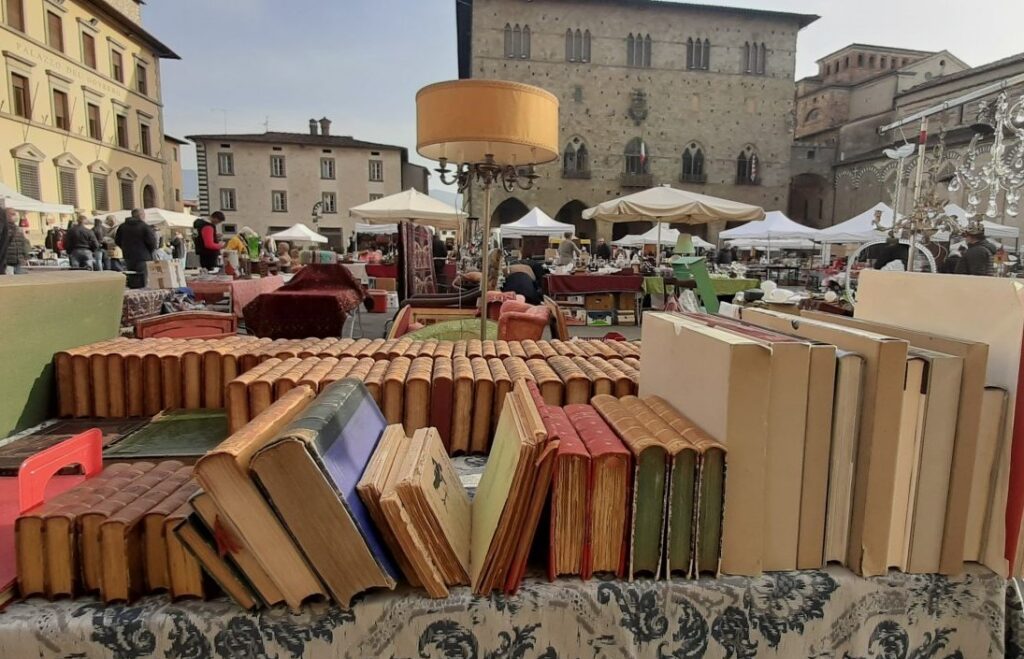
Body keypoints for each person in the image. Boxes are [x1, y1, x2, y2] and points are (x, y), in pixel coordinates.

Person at [115, 208, 157, 288]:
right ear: (141, 215)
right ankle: (141, 296)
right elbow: (152, 242)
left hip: (128, 256)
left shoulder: (122, 226)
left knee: (132, 279)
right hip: (143, 256)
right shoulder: (144, 226)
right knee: (142, 280)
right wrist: (149, 251)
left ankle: (133, 295)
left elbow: (117, 240)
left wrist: (125, 248)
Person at [2, 208, 29, 274]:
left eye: (15, 214)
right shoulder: (3, 228)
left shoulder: (18, 229)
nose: (15, 216)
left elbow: (23, 244)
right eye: (13, 214)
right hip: (7, 263)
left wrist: (25, 256)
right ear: (6, 215)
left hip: (18, 261)